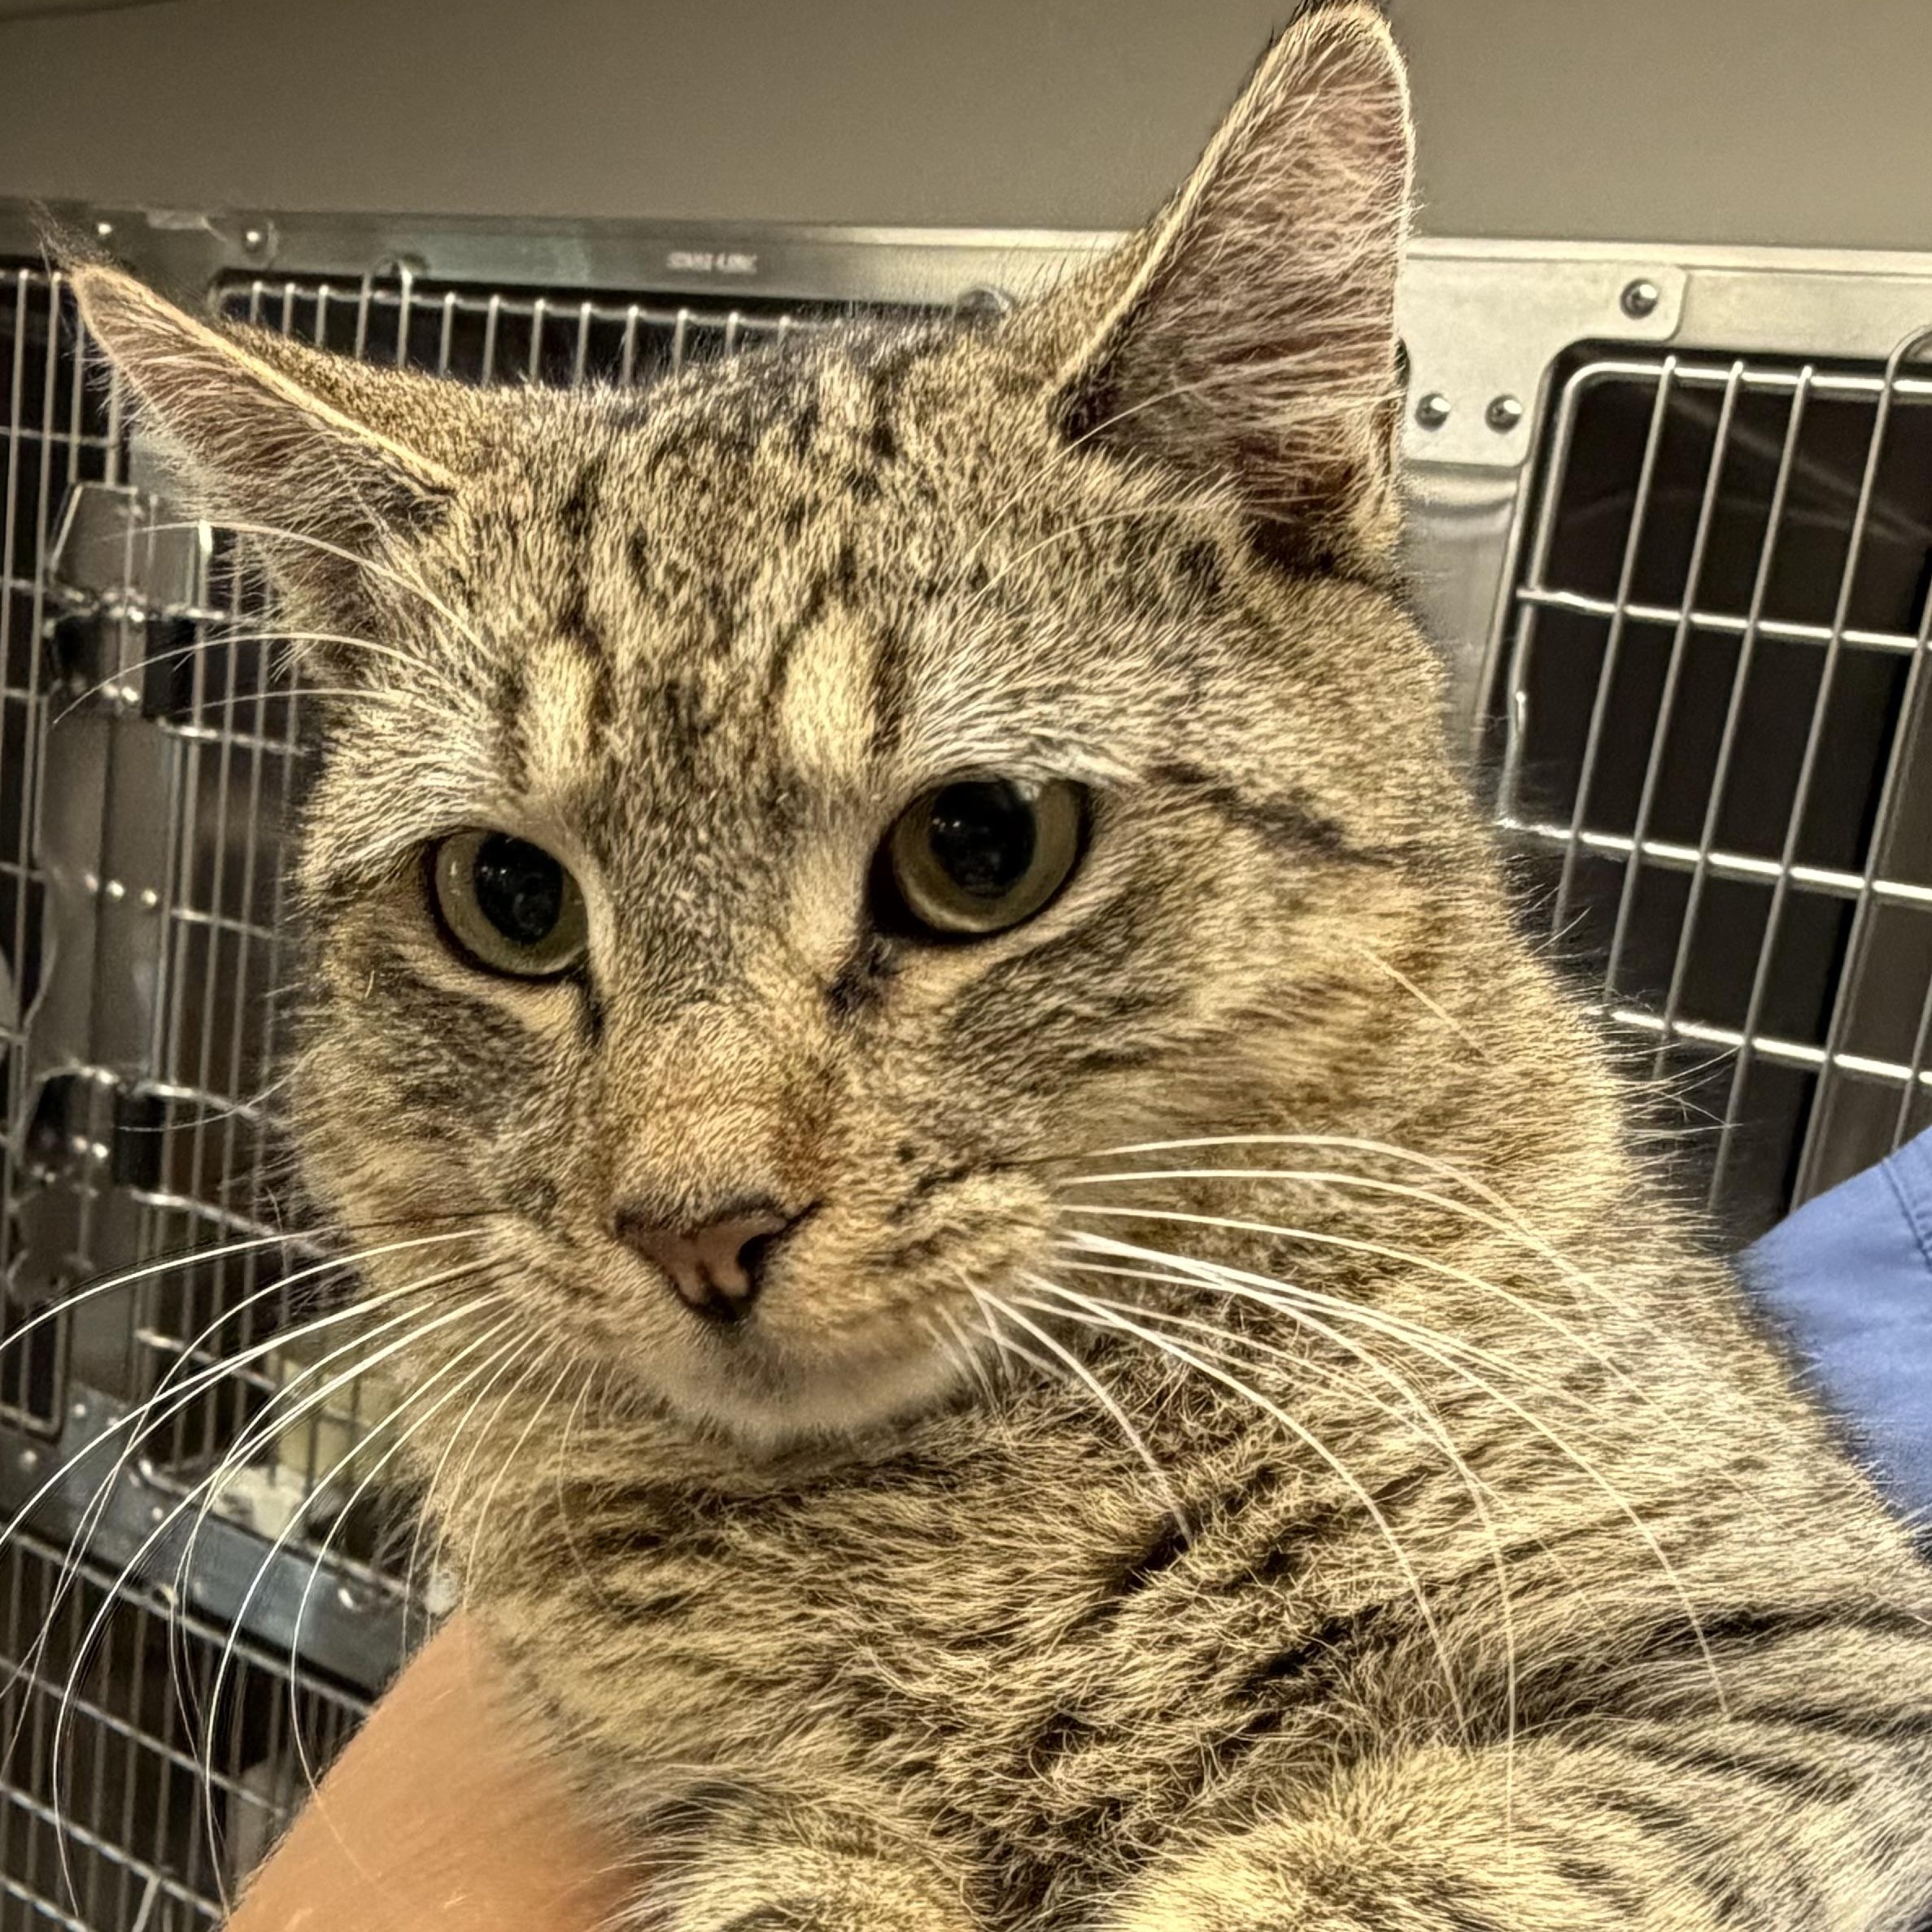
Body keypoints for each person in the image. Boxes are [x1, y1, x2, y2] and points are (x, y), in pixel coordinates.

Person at [232, 1128, 1932, 1926]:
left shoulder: (1456, 1229)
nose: (692, 1182)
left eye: (975, 851)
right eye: (509, 899)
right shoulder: (562, 1422)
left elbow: (1828, 1727)